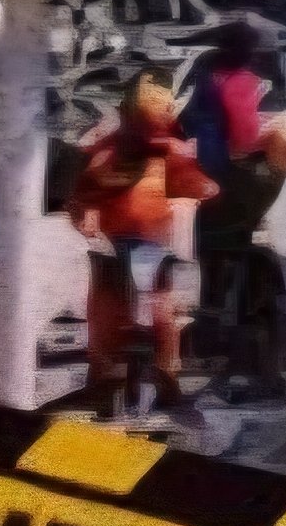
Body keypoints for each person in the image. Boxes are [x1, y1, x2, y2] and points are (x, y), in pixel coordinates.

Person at [69, 69, 214, 415]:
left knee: (159, 307)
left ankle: (160, 379)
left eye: (163, 101)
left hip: (148, 242)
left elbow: (195, 182)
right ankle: (113, 379)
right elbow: (84, 190)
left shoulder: (165, 148)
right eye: (153, 100)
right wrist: (87, 212)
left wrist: (199, 186)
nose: (160, 107)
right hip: (119, 242)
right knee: (117, 304)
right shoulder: (112, 145)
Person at [182, 21, 286, 382]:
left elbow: (186, 124)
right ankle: (242, 346)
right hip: (233, 185)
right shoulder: (242, 81)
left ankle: (207, 336)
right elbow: (245, 140)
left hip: (202, 183)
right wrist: (276, 127)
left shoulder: (203, 74)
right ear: (249, 53)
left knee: (213, 265)